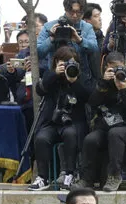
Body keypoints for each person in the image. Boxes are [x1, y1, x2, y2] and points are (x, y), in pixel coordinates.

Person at [76, 51, 126, 191]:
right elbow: (92, 103)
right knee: (91, 139)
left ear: (125, 66)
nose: (117, 72)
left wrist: (124, 91)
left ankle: (115, 176)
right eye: (113, 69)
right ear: (106, 67)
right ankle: (87, 179)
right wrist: (102, 85)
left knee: (115, 133)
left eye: (120, 68)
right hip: (106, 125)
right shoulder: (104, 83)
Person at [29, 46, 92, 191]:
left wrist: (74, 81)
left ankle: (70, 174)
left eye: (73, 63)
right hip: (53, 123)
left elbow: (89, 97)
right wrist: (54, 74)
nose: (69, 66)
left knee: (70, 134)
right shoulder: (51, 76)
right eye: (65, 62)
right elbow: (40, 89)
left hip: (73, 123)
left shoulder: (81, 77)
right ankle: (43, 178)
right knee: (41, 138)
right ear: (57, 62)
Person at [37, 0, 99, 88]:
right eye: (72, 12)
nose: (75, 15)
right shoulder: (49, 26)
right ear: (65, 9)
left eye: (79, 12)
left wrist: (80, 40)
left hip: (80, 77)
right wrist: (51, 38)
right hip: (56, 77)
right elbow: (38, 53)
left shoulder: (87, 27)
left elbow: (94, 49)